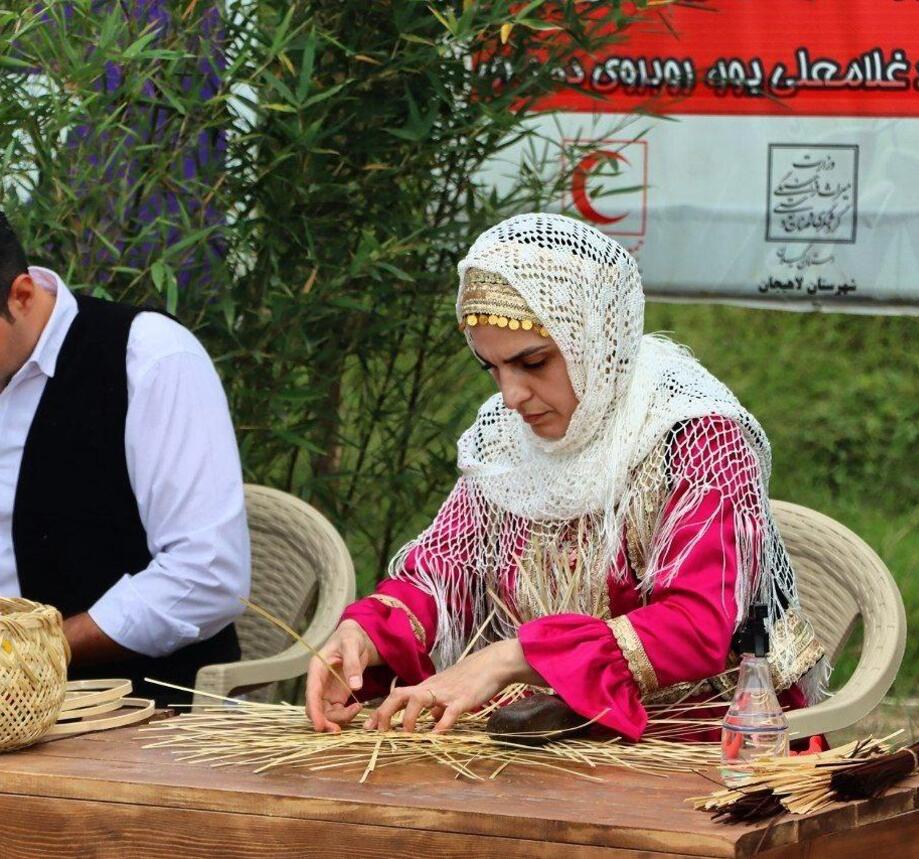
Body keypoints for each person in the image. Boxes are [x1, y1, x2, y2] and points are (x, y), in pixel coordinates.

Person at [306, 214, 827, 738]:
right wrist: (366, 633)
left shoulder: (695, 434)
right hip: (551, 727)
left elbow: (696, 626)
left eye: (533, 362)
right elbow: (446, 567)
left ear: (595, 340)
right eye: (492, 368)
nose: (511, 396)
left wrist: (514, 658)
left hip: (703, 733)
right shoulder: (508, 443)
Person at [0, 186, 250, 706]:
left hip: (119, 715)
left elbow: (207, 574)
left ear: (23, 295)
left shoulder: (149, 360)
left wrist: (19, 655)